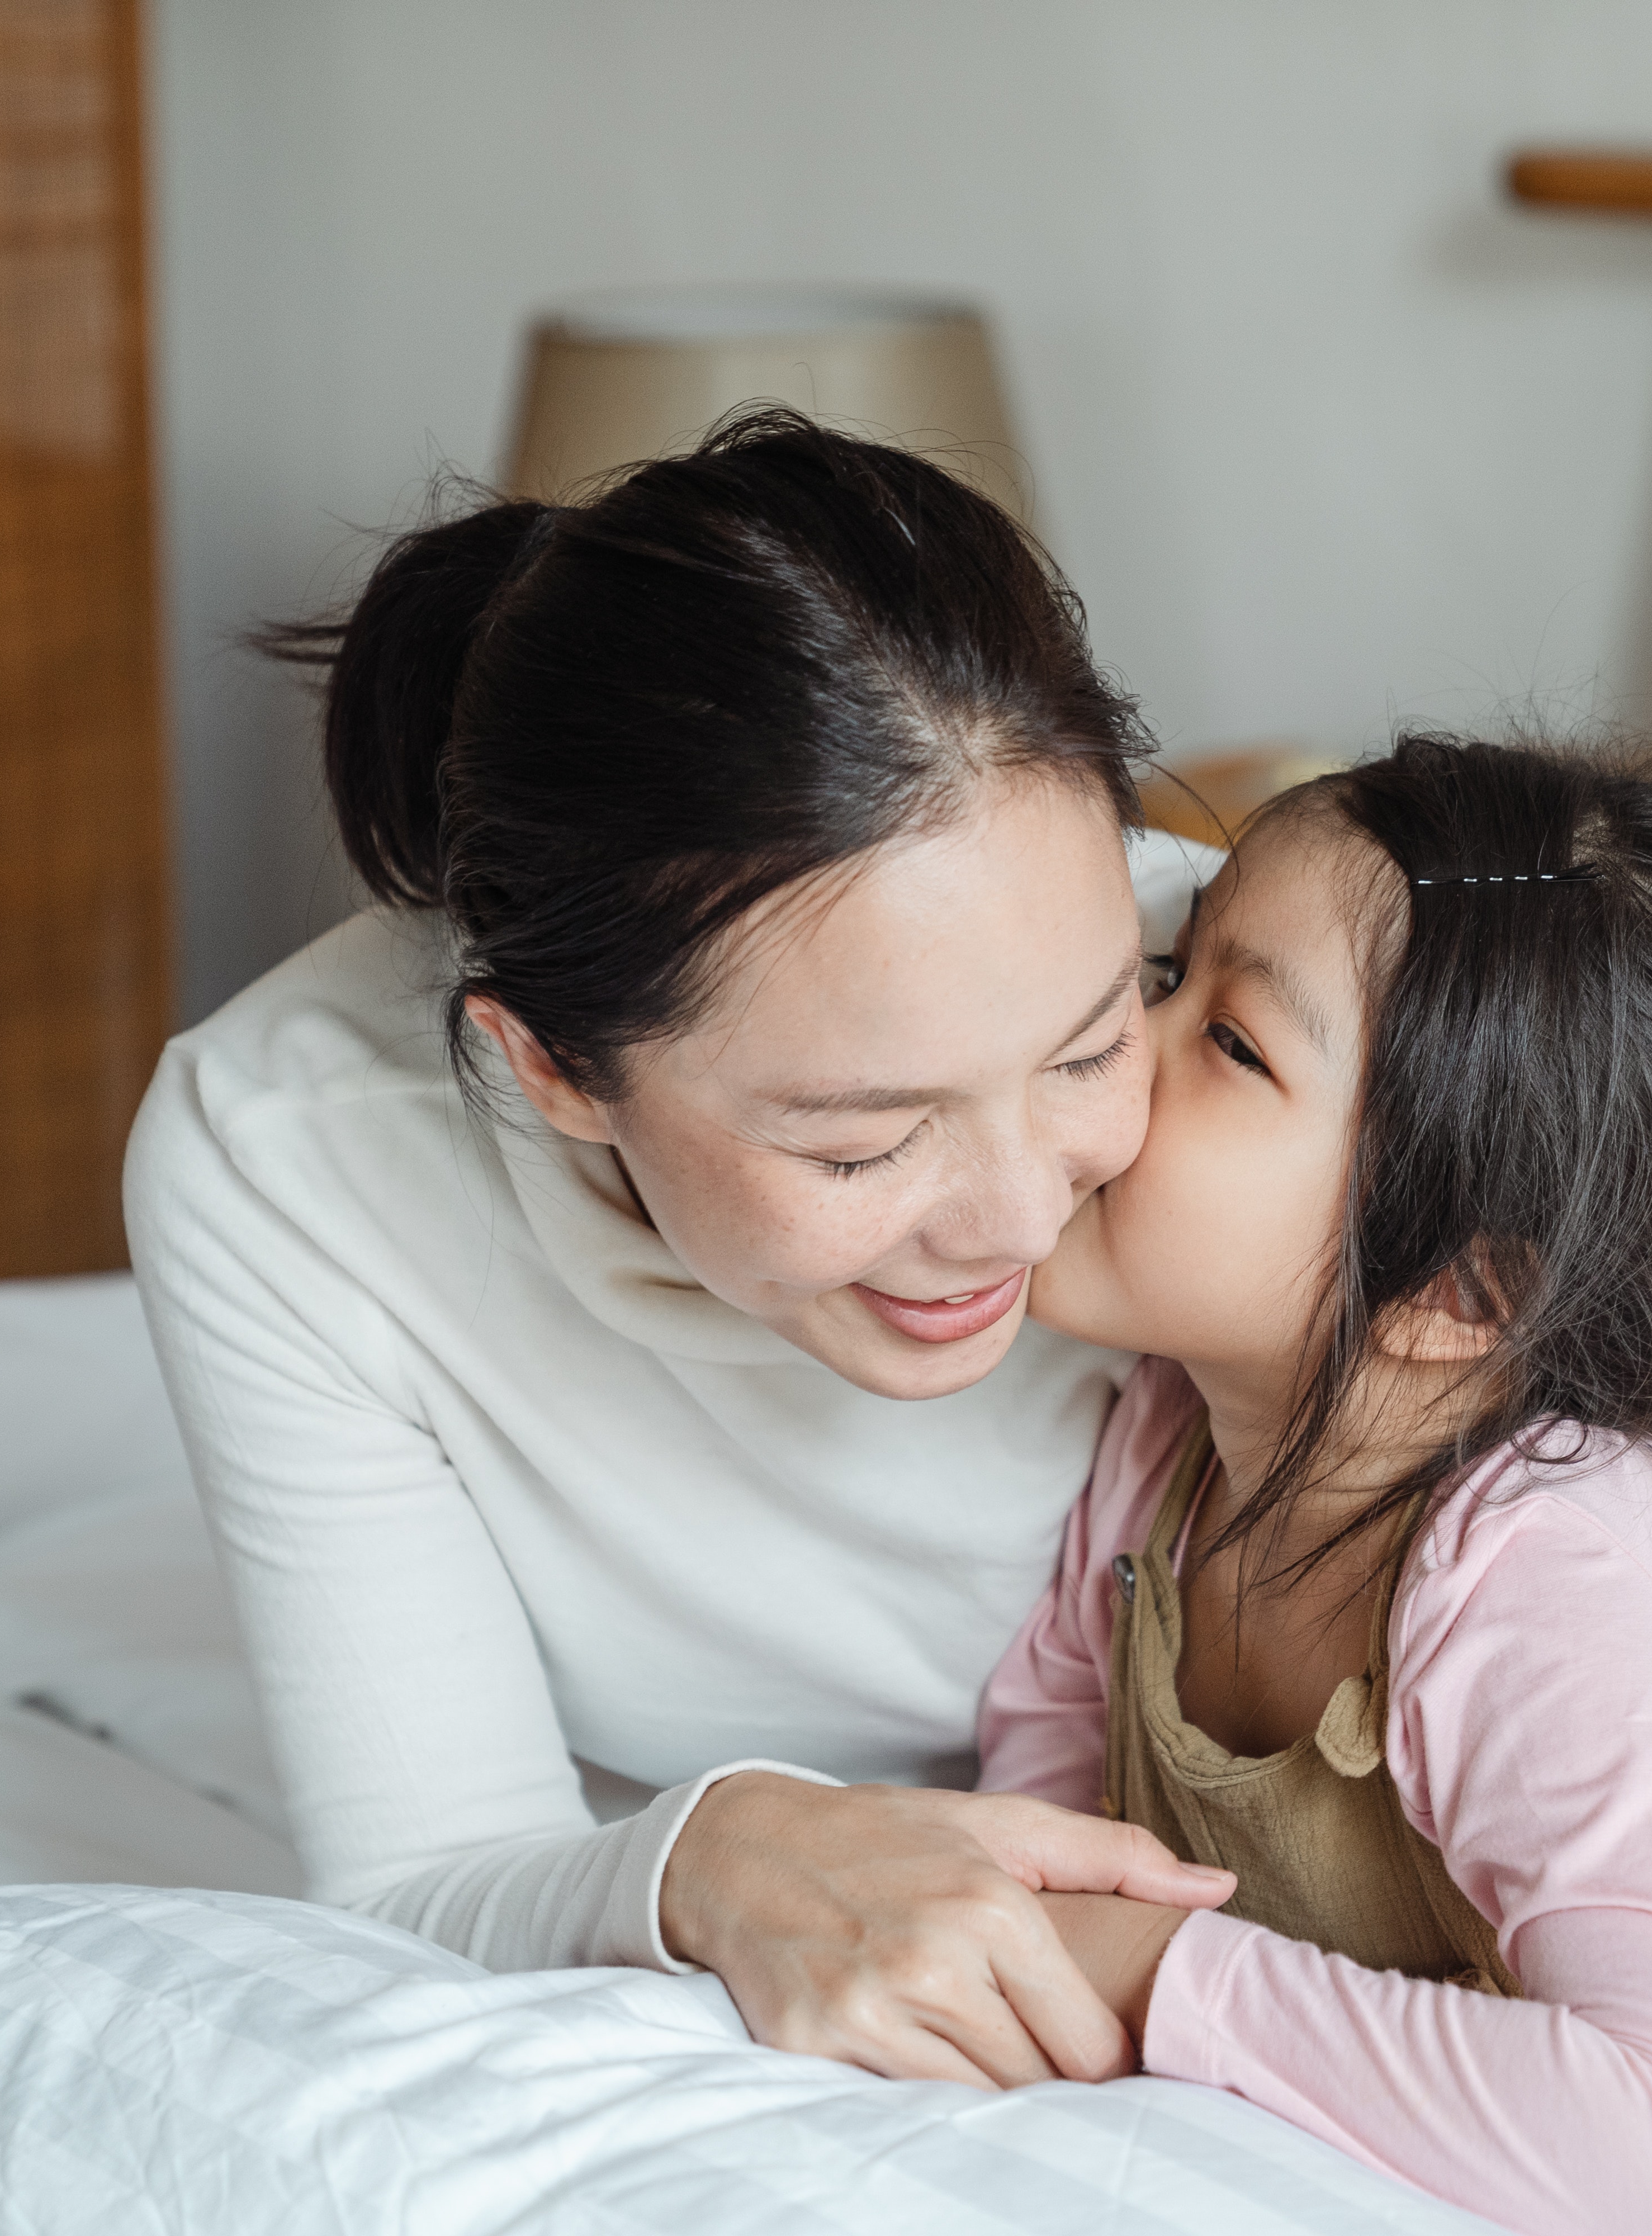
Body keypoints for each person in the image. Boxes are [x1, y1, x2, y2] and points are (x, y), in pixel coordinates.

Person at [125, 410, 1240, 2093]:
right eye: (864, 1143)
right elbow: (430, 1869)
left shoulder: (1279, 1015)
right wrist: (711, 1858)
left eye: (1089, 1052)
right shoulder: (287, 1164)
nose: (1025, 1217)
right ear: (553, 1070)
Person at [979, 735, 1652, 2235]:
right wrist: (1038, 1944)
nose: (1118, 1044)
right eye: (1172, 968)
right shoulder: (1170, 1431)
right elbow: (1058, 1723)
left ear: (1461, 1293)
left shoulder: (1538, 1573)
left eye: (1230, 1042)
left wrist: (1156, 1976)